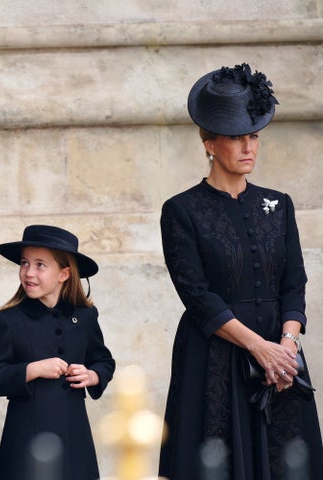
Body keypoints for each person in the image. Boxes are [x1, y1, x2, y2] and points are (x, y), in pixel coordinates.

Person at [158, 63, 323, 479]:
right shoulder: (181, 210)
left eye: (254, 136)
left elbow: (294, 283)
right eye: (236, 137)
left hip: (281, 361)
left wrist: (285, 347)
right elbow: (197, 295)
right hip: (214, 355)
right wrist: (258, 348)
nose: (249, 147)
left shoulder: (279, 204)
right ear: (209, 144)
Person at [0, 225, 115, 480]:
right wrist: (32, 370)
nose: (29, 273)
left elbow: (103, 360)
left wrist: (92, 376)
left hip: (75, 437)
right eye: (24, 263)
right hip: (25, 441)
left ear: (64, 274)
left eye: (40, 265)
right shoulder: (9, 320)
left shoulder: (85, 317)